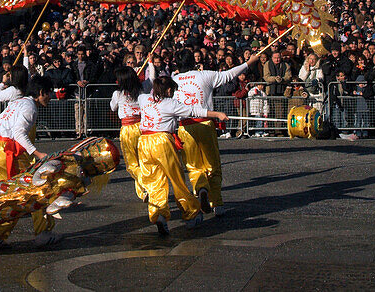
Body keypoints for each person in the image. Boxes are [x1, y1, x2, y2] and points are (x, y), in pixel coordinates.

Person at [172, 49, 262, 216]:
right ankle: (217, 202)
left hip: (185, 126)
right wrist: (249, 63)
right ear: (194, 61)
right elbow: (228, 75)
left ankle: (200, 188)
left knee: (193, 166)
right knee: (212, 164)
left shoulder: (175, 80)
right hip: (205, 124)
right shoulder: (204, 75)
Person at [137, 75, 228, 236]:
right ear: (170, 90)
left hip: (143, 143)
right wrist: (216, 114)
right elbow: (194, 111)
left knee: (154, 182)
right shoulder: (170, 103)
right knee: (176, 179)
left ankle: (158, 213)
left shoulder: (144, 99)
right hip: (162, 141)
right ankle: (191, 212)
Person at [0, 75, 60, 248]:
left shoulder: (17, 102)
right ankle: (42, 232)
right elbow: (18, 133)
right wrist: (38, 154)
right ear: (41, 93)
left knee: (10, 196)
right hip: (7, 153)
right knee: (39, 189)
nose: (50, 97)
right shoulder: (30, 107)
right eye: (48, 93)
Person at [109, 67, 146, 201]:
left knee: (132, 164)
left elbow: (113, 107)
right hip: (142, 126)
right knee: (142, 160)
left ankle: (145, 184)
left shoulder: (118, 94)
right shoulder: (141, 91)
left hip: (128, 128)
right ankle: (142, 192)